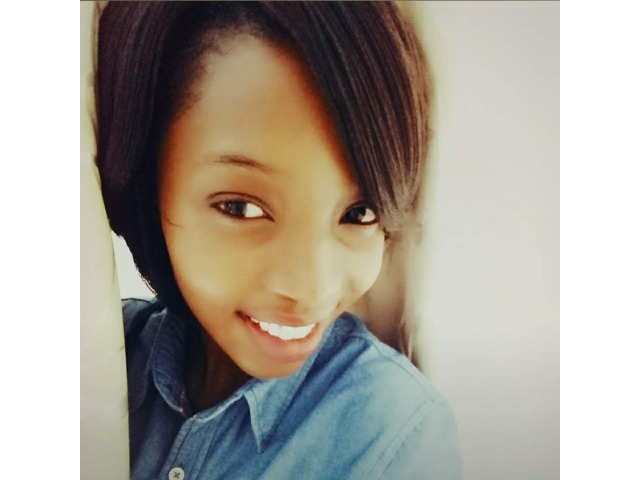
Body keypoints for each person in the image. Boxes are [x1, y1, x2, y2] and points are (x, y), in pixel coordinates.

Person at [94, 2, 462, 478]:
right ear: (150, 182)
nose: (311, 289)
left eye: (359, 213)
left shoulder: (394, 437)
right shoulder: (92, 356)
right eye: (242, 207)